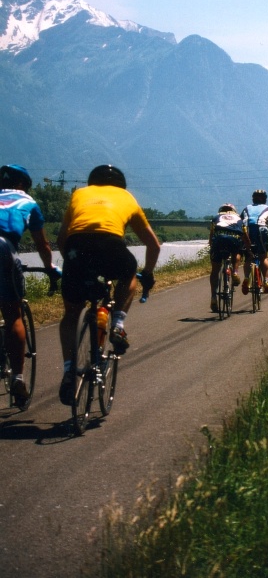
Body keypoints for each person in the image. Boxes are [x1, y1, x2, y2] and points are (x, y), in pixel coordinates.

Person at [57, 164, 160, 405]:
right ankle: (118, 323)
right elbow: (153, 245)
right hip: (111, 246)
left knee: (71, 315)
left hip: (76, 248)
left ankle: (70, 369)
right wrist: (148, 273)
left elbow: (62, 239)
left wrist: (76, 266)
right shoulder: (127, 197)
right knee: (129, 274)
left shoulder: (79, 194)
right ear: (121, 184)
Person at [0, 164, 57, 408]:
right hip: (3, 248)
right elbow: (43, 245)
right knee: (13, 314)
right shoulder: (28, 202)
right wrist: (51, 269)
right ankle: (18, 378)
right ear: (22, 184)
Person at [209, 203, 252, 312]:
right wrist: (248, 249)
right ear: (234, 210)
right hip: (233, 240)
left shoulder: (216, 217)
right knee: (237, 252)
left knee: (215, 270)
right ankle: (235, 272)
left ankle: (214, 297)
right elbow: (245, 237)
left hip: (219, 240)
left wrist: (212, 246)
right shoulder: (239, 218)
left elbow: (211, 236)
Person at [240, 189, 268, 295]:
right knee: (263, 257)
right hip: (261, 229)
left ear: (253, 198)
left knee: (248, 256)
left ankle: (247, 278)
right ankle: (265, 281)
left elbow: (240, 223)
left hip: (246, 229)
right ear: (265, 199)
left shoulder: (246, 208)